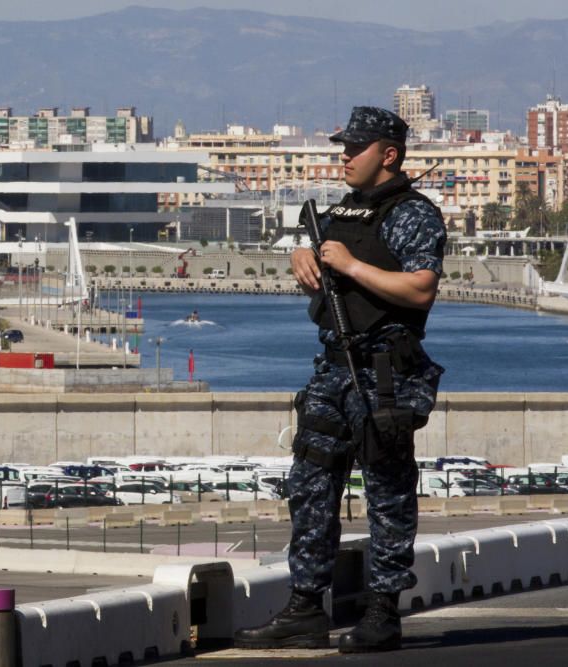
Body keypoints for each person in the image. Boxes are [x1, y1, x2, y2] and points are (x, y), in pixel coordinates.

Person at [234, 106, 446, 653]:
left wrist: (350, 265)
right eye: (343, 147)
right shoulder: (340, 213)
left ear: (389, 154)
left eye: (356, 148)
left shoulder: (413, 214)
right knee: (310, 486)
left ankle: (383, 612)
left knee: (387, 491)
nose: (344, 156)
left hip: (383, 372)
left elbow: (420, 289)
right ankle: (305, 607)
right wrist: (304, 256)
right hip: (332, 367)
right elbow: (325, 278)